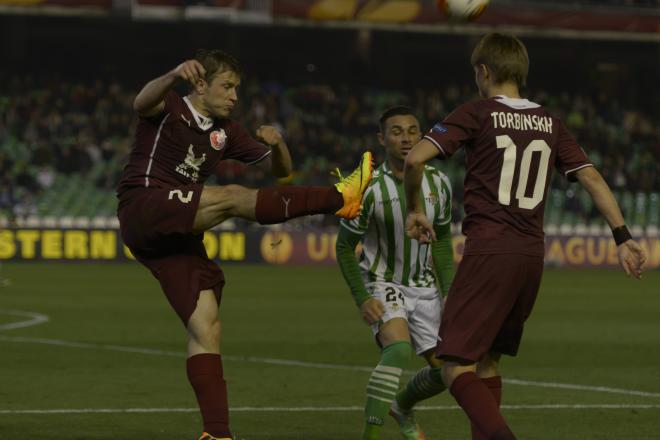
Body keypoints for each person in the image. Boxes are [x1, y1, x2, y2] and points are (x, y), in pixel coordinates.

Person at [116, 49, 373, 440]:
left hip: (175, 235)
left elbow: (281, 174)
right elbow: (141, 102)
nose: (235, 96)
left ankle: (216, 433)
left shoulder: (228, 131)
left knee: (207, 326)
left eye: (237, 88)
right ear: (200, 84)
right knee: (232, 195)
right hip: (145, 205)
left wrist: (279, 142)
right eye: (227, 86)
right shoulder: (170, 105)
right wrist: (171, 73)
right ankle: (341, 199)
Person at [403, 33, 647, 440]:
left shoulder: (477, 112)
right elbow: (590, 176)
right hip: (531, 255)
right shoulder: (549, 121)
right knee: (490, 362)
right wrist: (622, 236)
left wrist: (415, 208)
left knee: (454, 366)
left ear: (483, 72)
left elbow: (414, 158)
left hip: (489, 252)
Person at [336, 106, 454, 440]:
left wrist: (453, 292)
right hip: (382, 280)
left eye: (413, 131)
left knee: (449, 372)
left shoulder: (440, 183)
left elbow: (443, 243)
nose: (406, 138)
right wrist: (361, 296)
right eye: (397, 131)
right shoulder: (366, 186)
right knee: (398, 349)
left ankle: (402, 406)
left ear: (423, 135)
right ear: (381, 139)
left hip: (426, 287)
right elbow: (344, 247)